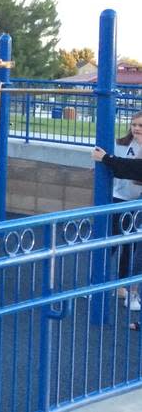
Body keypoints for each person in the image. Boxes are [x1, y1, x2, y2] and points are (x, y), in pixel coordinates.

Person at [93, 112, 142, 312]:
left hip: (136, 202)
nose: (137, 128)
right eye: (134, 125)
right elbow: (119, 166)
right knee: (110, 242)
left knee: (132, 247)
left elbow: (132, 168)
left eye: (141, 125)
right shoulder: (122, 144)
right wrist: (104, 161)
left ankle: (127, 288)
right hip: (119, 199)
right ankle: (96, 284)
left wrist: (107, 159)